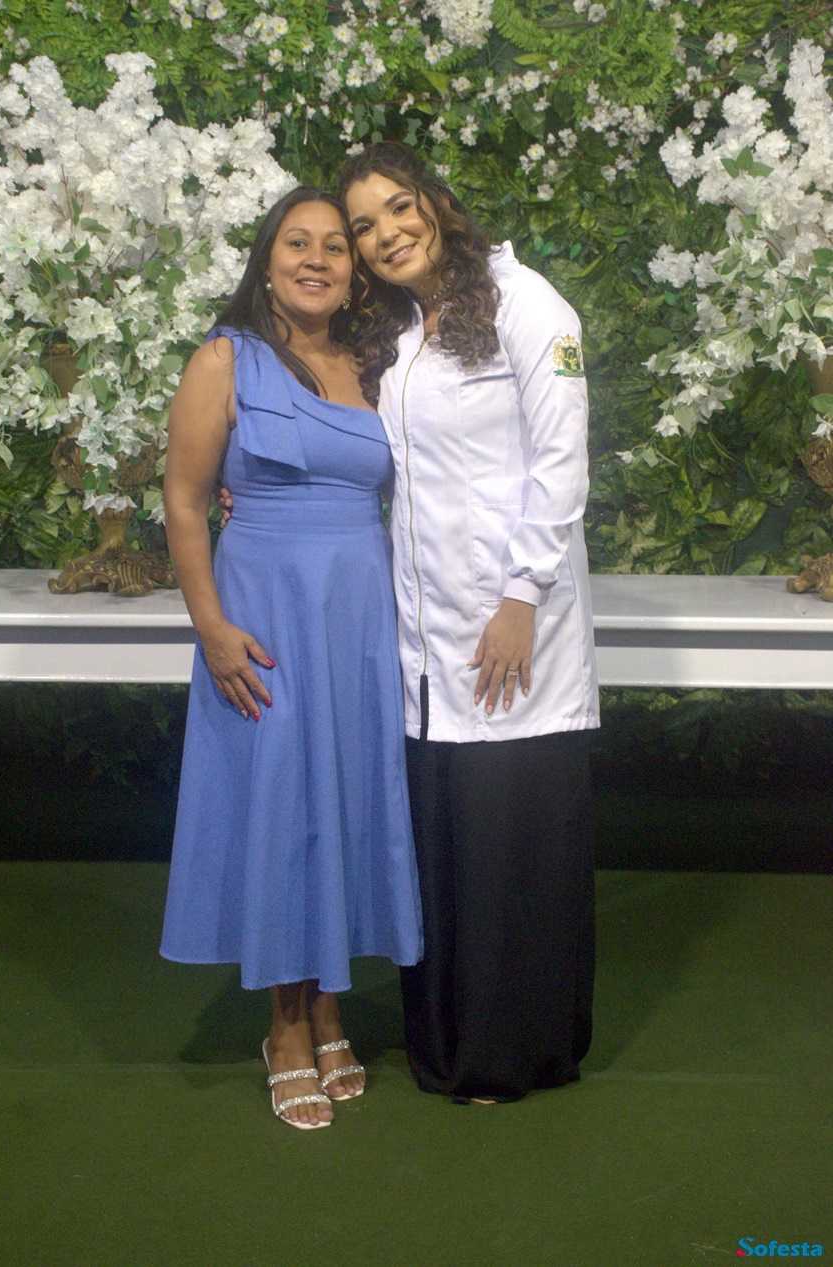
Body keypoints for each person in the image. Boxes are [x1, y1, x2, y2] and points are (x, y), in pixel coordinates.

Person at [337, 143, 599, 1104]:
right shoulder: (399, 333)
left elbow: (562, 463)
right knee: (446, 850)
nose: (385, 235)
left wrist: (522, 597)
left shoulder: (531, 305)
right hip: (427, 639)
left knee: (509, 848)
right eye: (364, 226)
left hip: (512, 628)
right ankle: (448, 1044)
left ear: (436, 203)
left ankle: (520, 1051)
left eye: (398, 208)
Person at [159, 187, 423, 1131]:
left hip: (358, 618)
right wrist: (211, 625)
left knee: (342, 799)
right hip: (263, 615)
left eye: (335, 247)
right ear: (266, 264)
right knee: (282, 805)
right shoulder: (224, 360)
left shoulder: (373, 364)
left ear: (353, 272)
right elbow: (184, 500)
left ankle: (331, 1008)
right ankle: (284, 1027)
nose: (318, 259)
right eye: (297, 243)